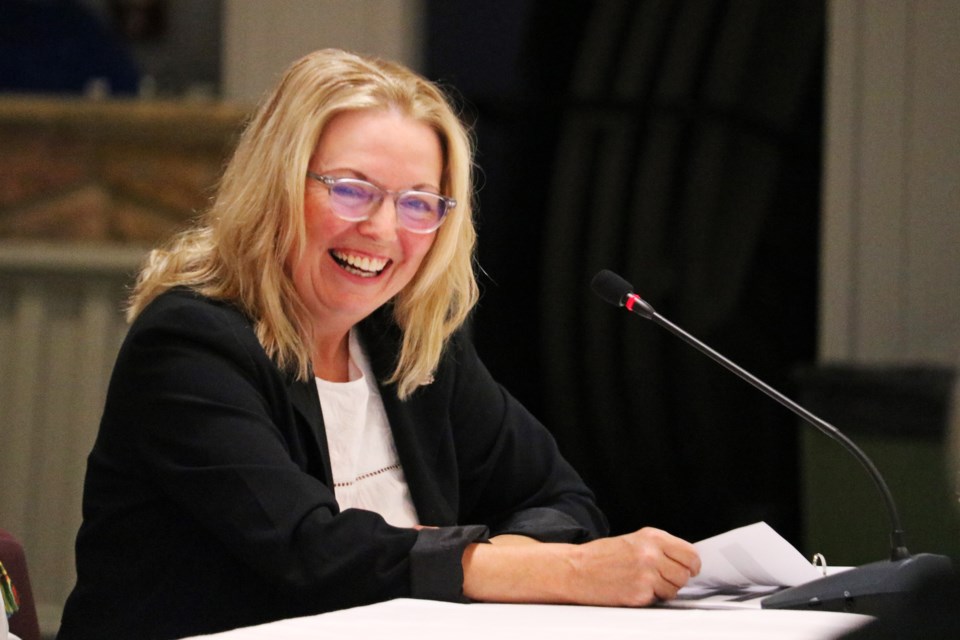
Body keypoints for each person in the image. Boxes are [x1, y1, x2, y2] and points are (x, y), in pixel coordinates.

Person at [56, 49, 701, 640]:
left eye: (419, 203)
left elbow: (560, 500)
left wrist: (514, 560)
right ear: (278, 183)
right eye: (351, 189)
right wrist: (563, 573)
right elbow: (313, 550)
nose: (383, 229)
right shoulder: (190, 343)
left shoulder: (409, 346)